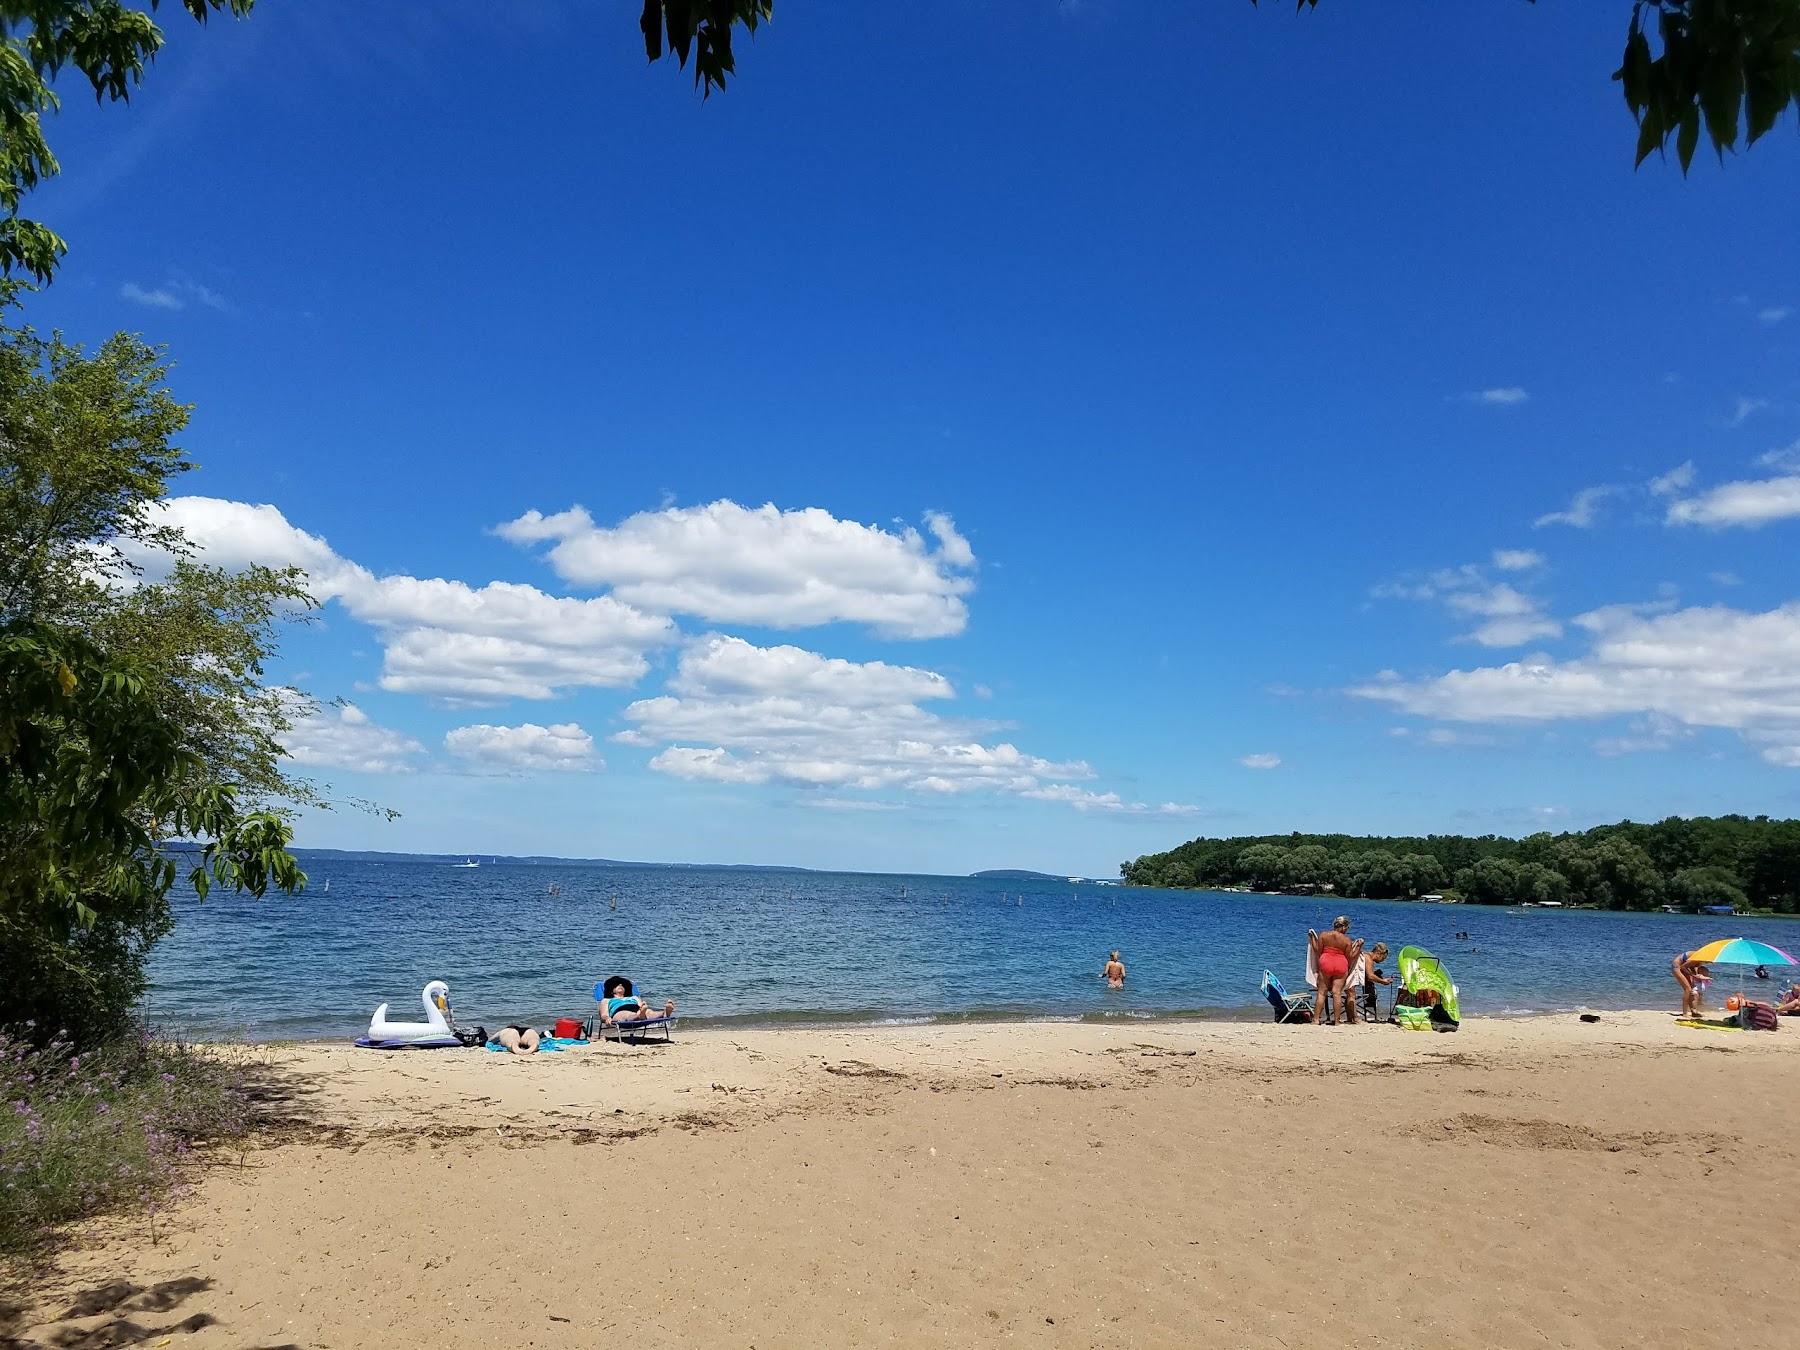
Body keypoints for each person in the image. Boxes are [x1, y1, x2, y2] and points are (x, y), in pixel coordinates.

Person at [1309, 917, 1365, 1027]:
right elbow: (1351, 957)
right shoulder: (1347, 940)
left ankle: (1315, 1020)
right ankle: (1337, 1021)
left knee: (1321, 992)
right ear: (1343, 927)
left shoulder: (1324, 935)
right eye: (1347, 927)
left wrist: (1311, 938)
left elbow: (1317, 950)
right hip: (1340, 964)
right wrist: (1359, 947)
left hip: (1326, 962)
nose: (1347, 930)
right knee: (1337, 993)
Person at [597, 976, 676, 1029]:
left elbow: (641, 1007)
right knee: (626, 1014)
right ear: (611, 989)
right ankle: (638, 1016)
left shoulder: (633, 997)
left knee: (649, 1012)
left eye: (622, 985)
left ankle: (665, 1013)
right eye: (617, 985)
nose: (620, 985)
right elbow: (604, 1014)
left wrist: (643, 1010)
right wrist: (607, 1018)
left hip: (637, 1009)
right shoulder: (606, 1000)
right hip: (618, 1011)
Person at [1358, 942, 1393, 1023]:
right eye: (1383, 958)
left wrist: (1380, 978)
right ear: (1378, 953)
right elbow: (1370, 976)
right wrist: (1382, 981)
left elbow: (1368, 975)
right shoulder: (1368, 958)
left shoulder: (1365, 955)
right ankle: (1353, 1017)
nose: (1382, 961)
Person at [1671, 952, 1707, 1019]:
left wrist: (1698, 976)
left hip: (1683, 967)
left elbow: (1692, 967)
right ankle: (1685, 1013)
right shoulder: (1698, 958)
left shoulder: (1700, 960)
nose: (1708, 963)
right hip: (1677, 967)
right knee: (1688, 989)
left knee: (1693, 988)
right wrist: (1693, 975)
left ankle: (1693, 1011)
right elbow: (1683, 967)